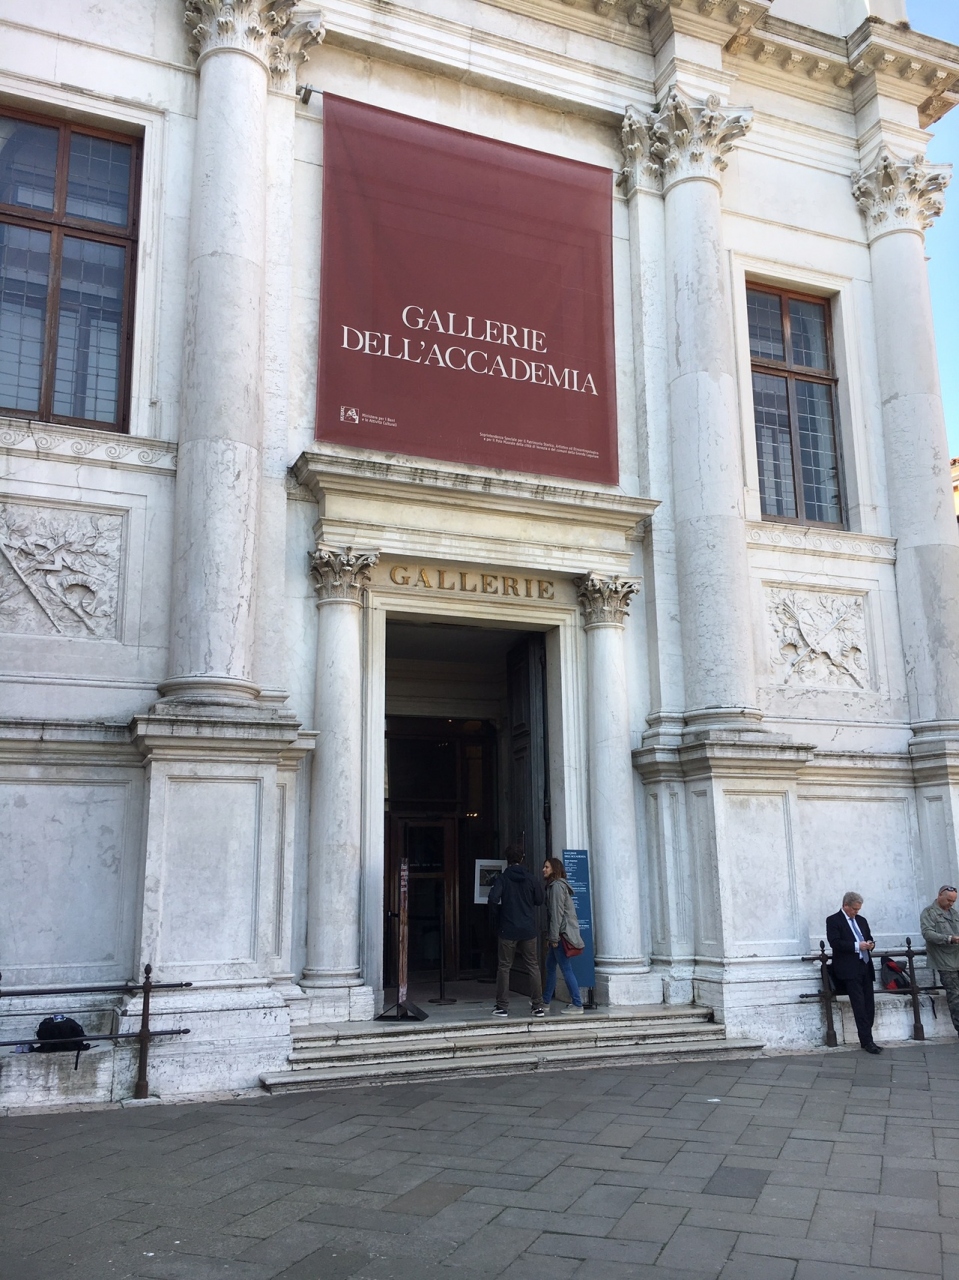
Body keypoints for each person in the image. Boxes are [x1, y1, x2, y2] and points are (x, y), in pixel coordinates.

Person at [487, 846, 546, 1018]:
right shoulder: (530, 878)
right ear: (522, 858)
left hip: (508, 928)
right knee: (533, 966)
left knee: (504, 967)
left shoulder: (503, 878)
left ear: (507, 859)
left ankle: (502, 1006)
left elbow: (493, 899)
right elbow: (539, 900)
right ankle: (538, 1006)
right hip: (528, 929)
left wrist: (497, 917)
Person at [826, 892, 882, 1054]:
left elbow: (869, 937)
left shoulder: (861, 920)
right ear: (846, 906)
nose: (856, 912)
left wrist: (870, 944)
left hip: (865, 966)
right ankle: (867, 1041)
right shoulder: (834, 920)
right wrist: (858, 946)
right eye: (854, 909)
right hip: (849, 969)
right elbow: (835, 943)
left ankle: (867, 1038)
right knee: (859, 1006)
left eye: (858, 909)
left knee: (869, 1005)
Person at [542, 857, 585, 1014]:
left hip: (561, 935)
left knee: (565, 969)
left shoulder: (557, 887)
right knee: (550, 966)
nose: (543, 869)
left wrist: (553, 938)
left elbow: (557, 914)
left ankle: (577, 1003)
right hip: (560, 933)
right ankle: (545, 1001)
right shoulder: (556, 886)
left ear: (554, 869)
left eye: (547, 867)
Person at [920, 884, 959, 1036]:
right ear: (940, 895)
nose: (951, 903)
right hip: (945, 960)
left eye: (954, 901)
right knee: (955, 996)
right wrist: (949, 938)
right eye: (949, 900)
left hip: (956, 956)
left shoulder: (954, 913)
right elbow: (928, 934)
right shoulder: (929, 913)